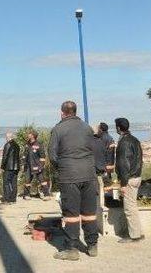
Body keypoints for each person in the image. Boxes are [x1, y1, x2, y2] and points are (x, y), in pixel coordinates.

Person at [48, 100, 98, 261]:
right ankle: (92, 245)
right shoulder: (87, 128)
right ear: (75, 112)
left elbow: (53, 156)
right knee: (90, 212)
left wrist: (62, 167)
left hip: (69, 176)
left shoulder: (58, 129)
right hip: (89, 175)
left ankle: (71, 249)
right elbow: (94, 150)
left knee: (71, 213)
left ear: (62, 113)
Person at [115, 117, 144, 243]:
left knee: (129, 208)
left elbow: (124, 164)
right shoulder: (135, 140)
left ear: (118, 128)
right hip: (136, 176)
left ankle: (134, 236)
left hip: (130, 179)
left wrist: (123, 183)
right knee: (133, 206)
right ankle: (137, 232)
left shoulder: (124, 143)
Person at [22, 131, 51, 200]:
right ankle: (27, 195)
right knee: (27, 181)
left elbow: (43, 157)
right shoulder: (27, 144)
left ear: (33, 136)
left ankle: (46, 195)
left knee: (42, 180)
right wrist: (23, 163)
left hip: (37, 166)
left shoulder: (39, 144)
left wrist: (41, 166)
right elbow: (24, 155)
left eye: (29, 134)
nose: (28, 135)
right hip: (28, 166)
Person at [0, 131, 20, 205]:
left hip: (8, 167)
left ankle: (7, 199)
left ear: (8, 137)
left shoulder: (7, 145)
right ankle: (13, 199)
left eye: (6, 137)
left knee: (6, 183)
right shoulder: (17, 145)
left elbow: (5, 157)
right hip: (16, 167)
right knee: (14, 183)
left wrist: (2, 167)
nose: (5, 138)